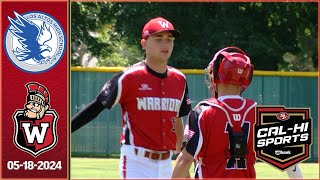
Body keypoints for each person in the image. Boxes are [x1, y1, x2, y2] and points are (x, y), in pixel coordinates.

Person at [71, 17, 192, 178]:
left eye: (169, 39)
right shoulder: (128, 78)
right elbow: (95, 108)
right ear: (144, 44)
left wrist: (181, 164)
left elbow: (177, 118)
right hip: (136, 161)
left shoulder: (179, 79)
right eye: (158, 38)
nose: (165, 44)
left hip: (166, 163)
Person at [171, 47, 256, 178]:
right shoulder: (256, 112)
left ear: (216, 73)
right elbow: (286, 158)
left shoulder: (203, 111)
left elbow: (185, 159)